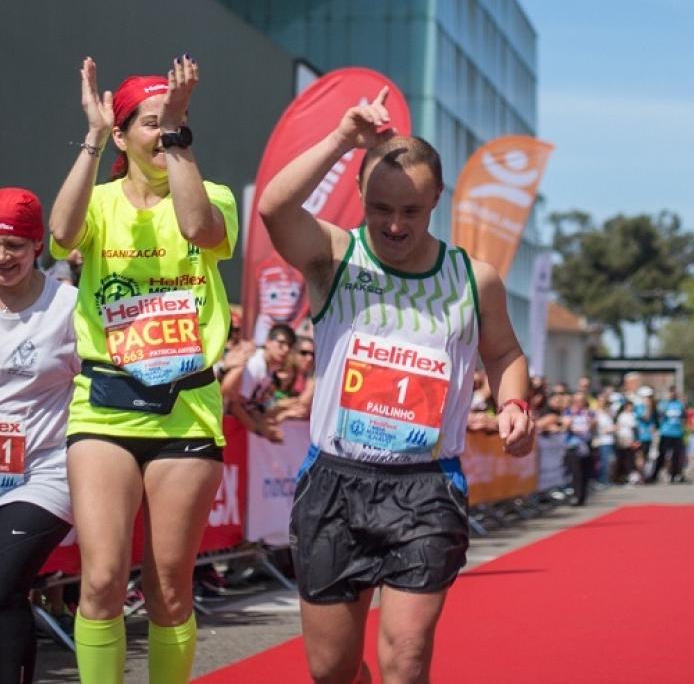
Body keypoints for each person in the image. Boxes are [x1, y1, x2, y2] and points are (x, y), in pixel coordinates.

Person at [257, 86, 534, 684]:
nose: (394, 224)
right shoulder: (335, 256)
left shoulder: (473, 279)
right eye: (381, 208)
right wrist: (341, 140)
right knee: (330, 670)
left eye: (411, 210)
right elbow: (275, 210)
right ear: (359, 195)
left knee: (405, 659)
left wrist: (513, 400)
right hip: (335, 480)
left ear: (436, 200)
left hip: (426, 489)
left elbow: (505, 352)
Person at [49, 56, 238, 684]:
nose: (161, 134)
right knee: (101, 579)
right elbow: (58, 233)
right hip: (103, 402)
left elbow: (197, 228)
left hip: (185, 409)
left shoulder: (211, 192)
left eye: (173, 123)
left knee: (167, 590)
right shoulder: (100, 201)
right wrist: (92, 138)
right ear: (124, 134)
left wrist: (178, 135)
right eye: (150, 124)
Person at [0, 188, 79, 684]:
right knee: (7, 592)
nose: (3, 256)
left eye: (14, 245)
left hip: (46, 470)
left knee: (3, 579)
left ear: (35, 248)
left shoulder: (67, 307)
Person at [221, 322, 293, 443]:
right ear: (268, 342)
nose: (285, 349)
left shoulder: (268, 369)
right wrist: (260, 430)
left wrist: (264, 425)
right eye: (281, 343)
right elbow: (234, 405)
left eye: (289, 345)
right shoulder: (255, 365)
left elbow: (249, 405)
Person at [648, 385, 686, 483]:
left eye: (674, 392)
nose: (673, 394)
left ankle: (675, 475)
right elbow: (657, 416)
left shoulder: (679, 404)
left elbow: (683, 417)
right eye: (671, 392)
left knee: (677, 456)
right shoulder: (663, 404)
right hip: (666, 433)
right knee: (662, 455)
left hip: (677, 433)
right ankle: (654, 475)